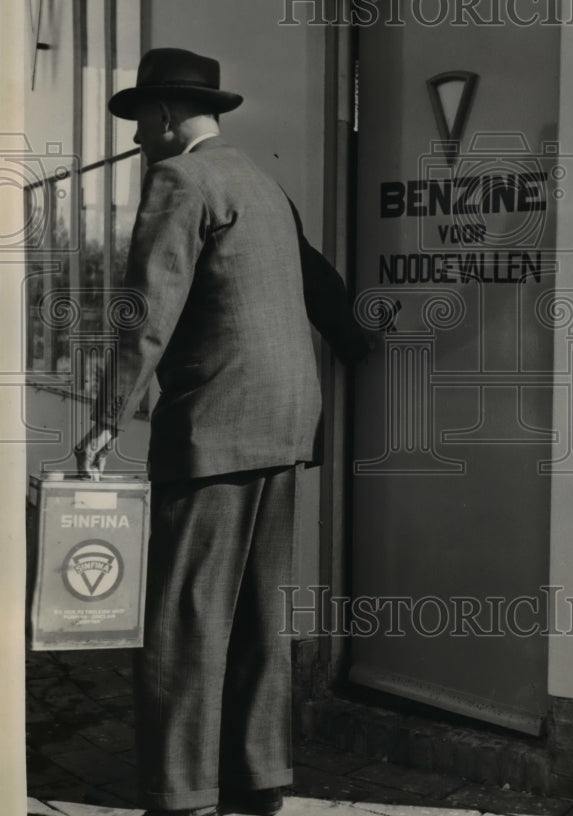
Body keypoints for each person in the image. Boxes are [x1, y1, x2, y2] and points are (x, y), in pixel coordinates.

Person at [75, 48, 369, 816]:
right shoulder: (260, 183)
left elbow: (146, 311)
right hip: (284, 423)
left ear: (167, 115)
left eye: (141, 118)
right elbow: (316, 283)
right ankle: (258, 776)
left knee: (183, 615)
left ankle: (178, 790)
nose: (138, 136)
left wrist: (106, 417)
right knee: (260, 613)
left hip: (212, 426)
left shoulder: (179, 179)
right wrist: (360, 344)